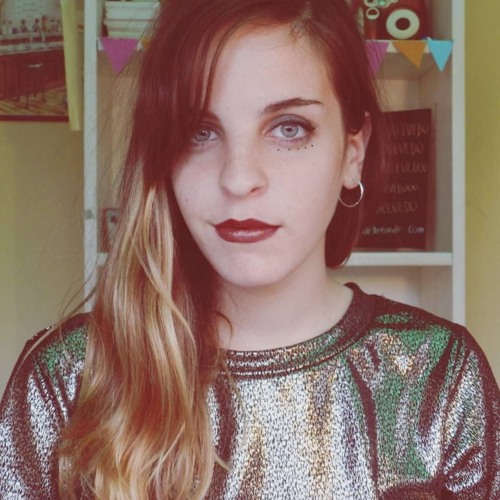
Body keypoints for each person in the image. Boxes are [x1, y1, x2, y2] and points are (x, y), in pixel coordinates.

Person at [1, 0, 499, 498]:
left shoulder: (440, 377)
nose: (238, 179)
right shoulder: (68, 380)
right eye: (200, 132)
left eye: (289, 128)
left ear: (353, 152)